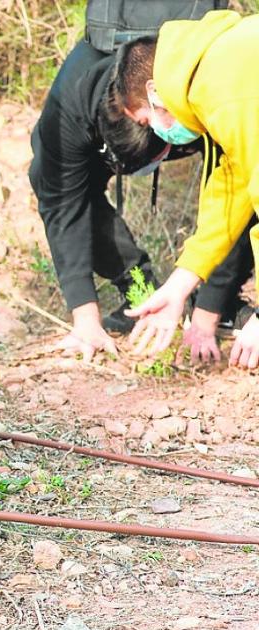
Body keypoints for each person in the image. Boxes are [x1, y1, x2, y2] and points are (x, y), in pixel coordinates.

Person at [28, 0, 250, 363]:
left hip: (200, 86)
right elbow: (61, 201)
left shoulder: (214, 94)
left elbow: (242, 190)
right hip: (109, 97)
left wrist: (209, 310)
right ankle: (138, 291)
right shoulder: (71, 108)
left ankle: (221, 303)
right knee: (56, 179)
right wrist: (84, 317)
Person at [111, 10, 259, 367]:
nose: (157, 132)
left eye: (147, 121)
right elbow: (237, 183)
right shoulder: (218, 66)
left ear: (154, 93)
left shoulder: (227, 93)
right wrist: (179, 286)